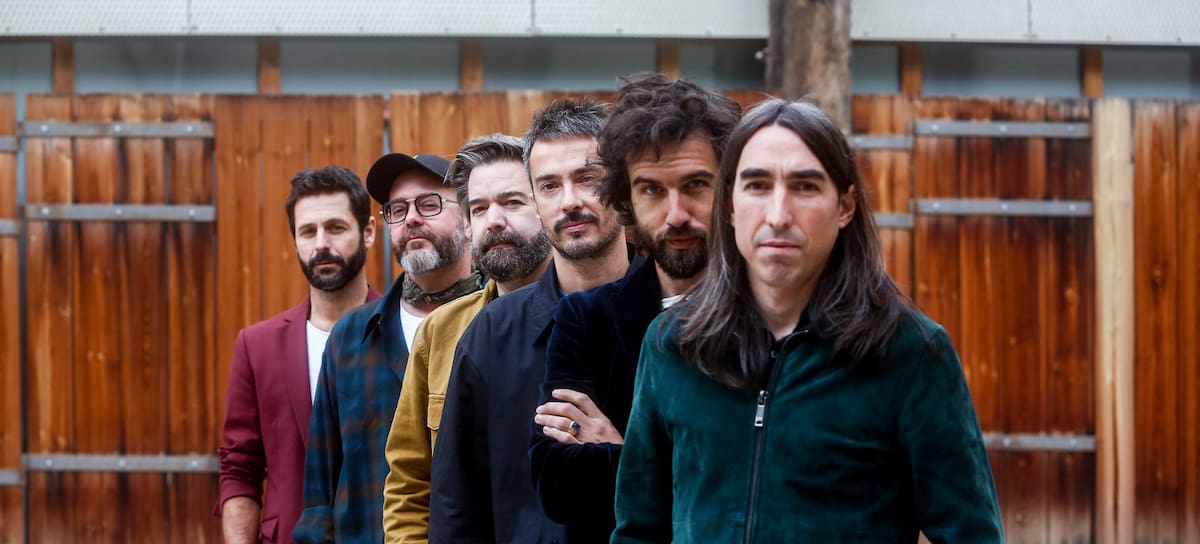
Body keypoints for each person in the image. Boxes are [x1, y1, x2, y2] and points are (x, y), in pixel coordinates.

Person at [611, 99, 1004, 543]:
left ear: (845, 206)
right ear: (730, 205)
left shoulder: (910, 353)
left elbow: (972, 535)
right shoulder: (672, 344)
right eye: (757, 186)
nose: (778, 215)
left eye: (805, 187)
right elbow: (639, 531)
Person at [528, 74, 740, 543]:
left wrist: (625, 452)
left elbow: (771, 485)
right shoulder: (587, 320)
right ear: (624, 201)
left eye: (695, 185)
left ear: (729, 192)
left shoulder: (769, 316)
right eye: (652, 190)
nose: (676, 214)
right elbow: (558, 485)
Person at [428, 99, 630, 544]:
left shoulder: (672, 319)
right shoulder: (490, 334)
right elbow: (456, 509)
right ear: (536, 202)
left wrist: (624, 459)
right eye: (550, 186)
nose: (570, 201)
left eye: (587, 178)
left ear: (622, 185)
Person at [294, 152, 483, 543]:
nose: (410, 218)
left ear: (468, 220)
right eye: (397, 210)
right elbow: (319, 494)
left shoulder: (497, 324)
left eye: (429, 204)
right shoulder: (350, 337)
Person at [382, 133, 552, 543]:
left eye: (512, 202)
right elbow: (409, 483)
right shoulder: (441, 331)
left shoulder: (591, 316)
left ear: (547, 206)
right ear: (468, 226)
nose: (494, 220)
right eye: (479, 208)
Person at [217, 166, 382, 544]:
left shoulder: (404, 332)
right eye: (308, 231)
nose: (322, 244)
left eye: (336, 228)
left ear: (368, 231)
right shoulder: (257, 346)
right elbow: (239, 468)